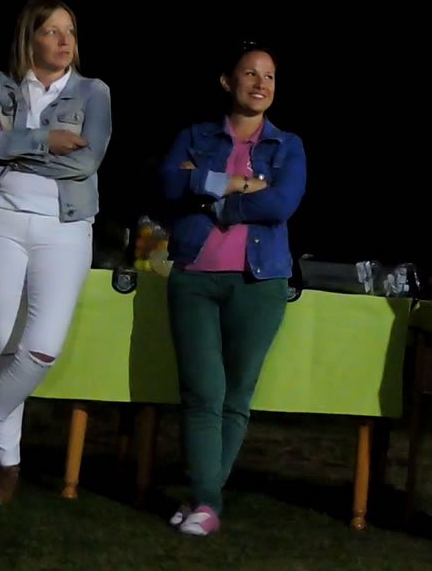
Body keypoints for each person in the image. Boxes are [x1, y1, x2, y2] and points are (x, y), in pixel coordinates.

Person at [0, 0, 112, 503]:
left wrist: (8, 146)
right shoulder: (0, 85)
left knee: (40, 348)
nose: (64, 41)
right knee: (2, 345)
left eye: (70, 31)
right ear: (30, 38)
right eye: (52, 31)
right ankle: (8, 467)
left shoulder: (93, 92)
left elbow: (86, 161)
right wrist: (42, 139)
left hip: (64, 226)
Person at [158, 42, 306, 536]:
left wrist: (214, 195)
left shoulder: (288, 145)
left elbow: (281, 203)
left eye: (269, 76)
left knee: (236, 395)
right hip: (195, 277)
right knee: (203, 391)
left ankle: (202, 499)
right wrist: (242, 183)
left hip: (259, 282)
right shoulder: (195, 135)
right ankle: (207, 500)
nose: (261, 84)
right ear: (228, 81)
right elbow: (169, 185)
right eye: (250, 74)